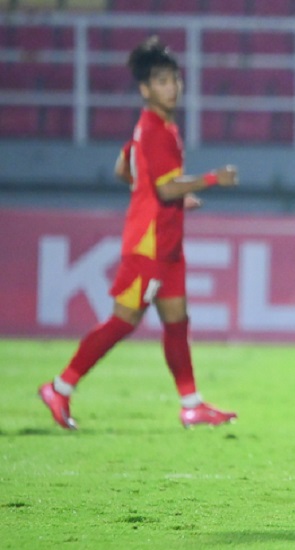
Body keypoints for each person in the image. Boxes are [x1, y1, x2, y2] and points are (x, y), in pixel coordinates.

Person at [38, 36, 239, 430]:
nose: (172, 87)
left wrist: (163, 195)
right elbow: (164, 188)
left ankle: (192, 405)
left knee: (177, 320)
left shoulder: (154, 127)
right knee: (123, 320)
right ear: (145, 89)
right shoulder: (156, 130)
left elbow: (124, 169)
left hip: (168, 246)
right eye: (162, 81)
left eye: (175, 80)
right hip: (149, 246)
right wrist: (213, 179)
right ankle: (60, 387)